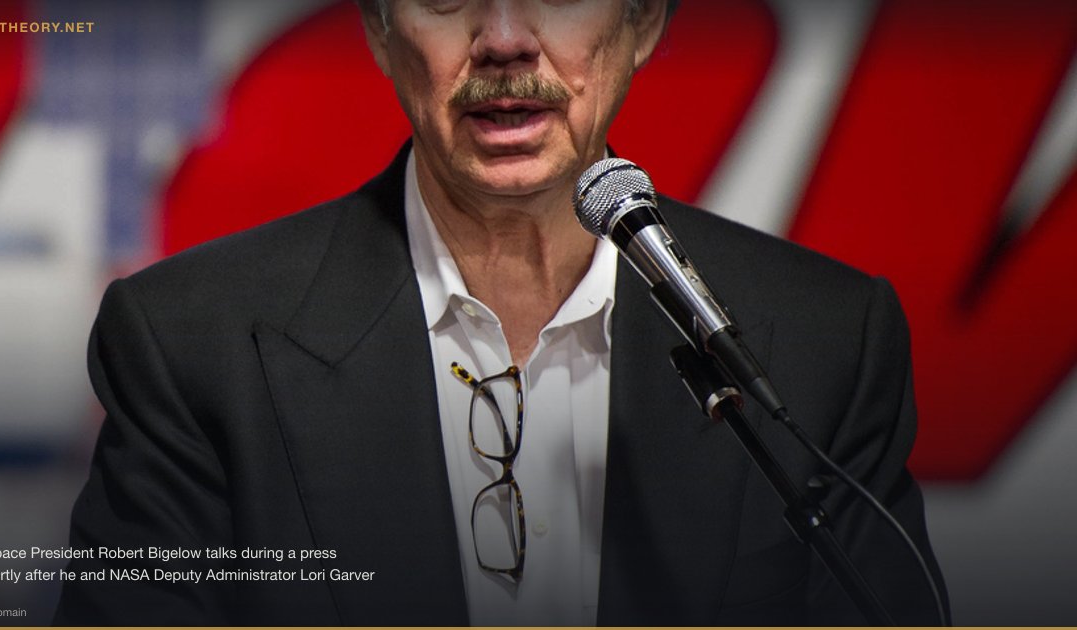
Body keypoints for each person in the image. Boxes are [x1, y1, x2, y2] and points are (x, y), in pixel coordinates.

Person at [55, 0, 947, 625]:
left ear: (644, 22)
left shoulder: (829, 339)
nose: (507, 40)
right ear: (378, 28)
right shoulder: (190, 342)